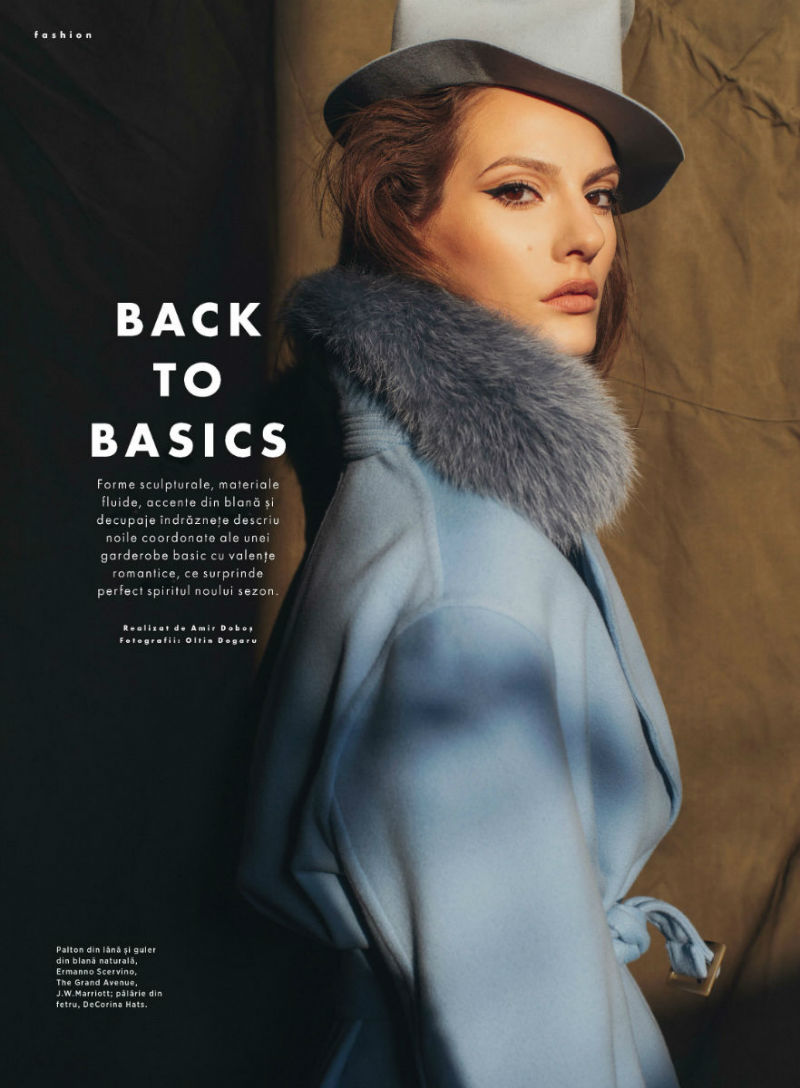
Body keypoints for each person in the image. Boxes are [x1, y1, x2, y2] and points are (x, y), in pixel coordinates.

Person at [238, 2, 722, 1084]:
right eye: (517, 190)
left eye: (599, 193)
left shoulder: (431, 494)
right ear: (404, 216)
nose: (585, 235)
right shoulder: (468, 585)